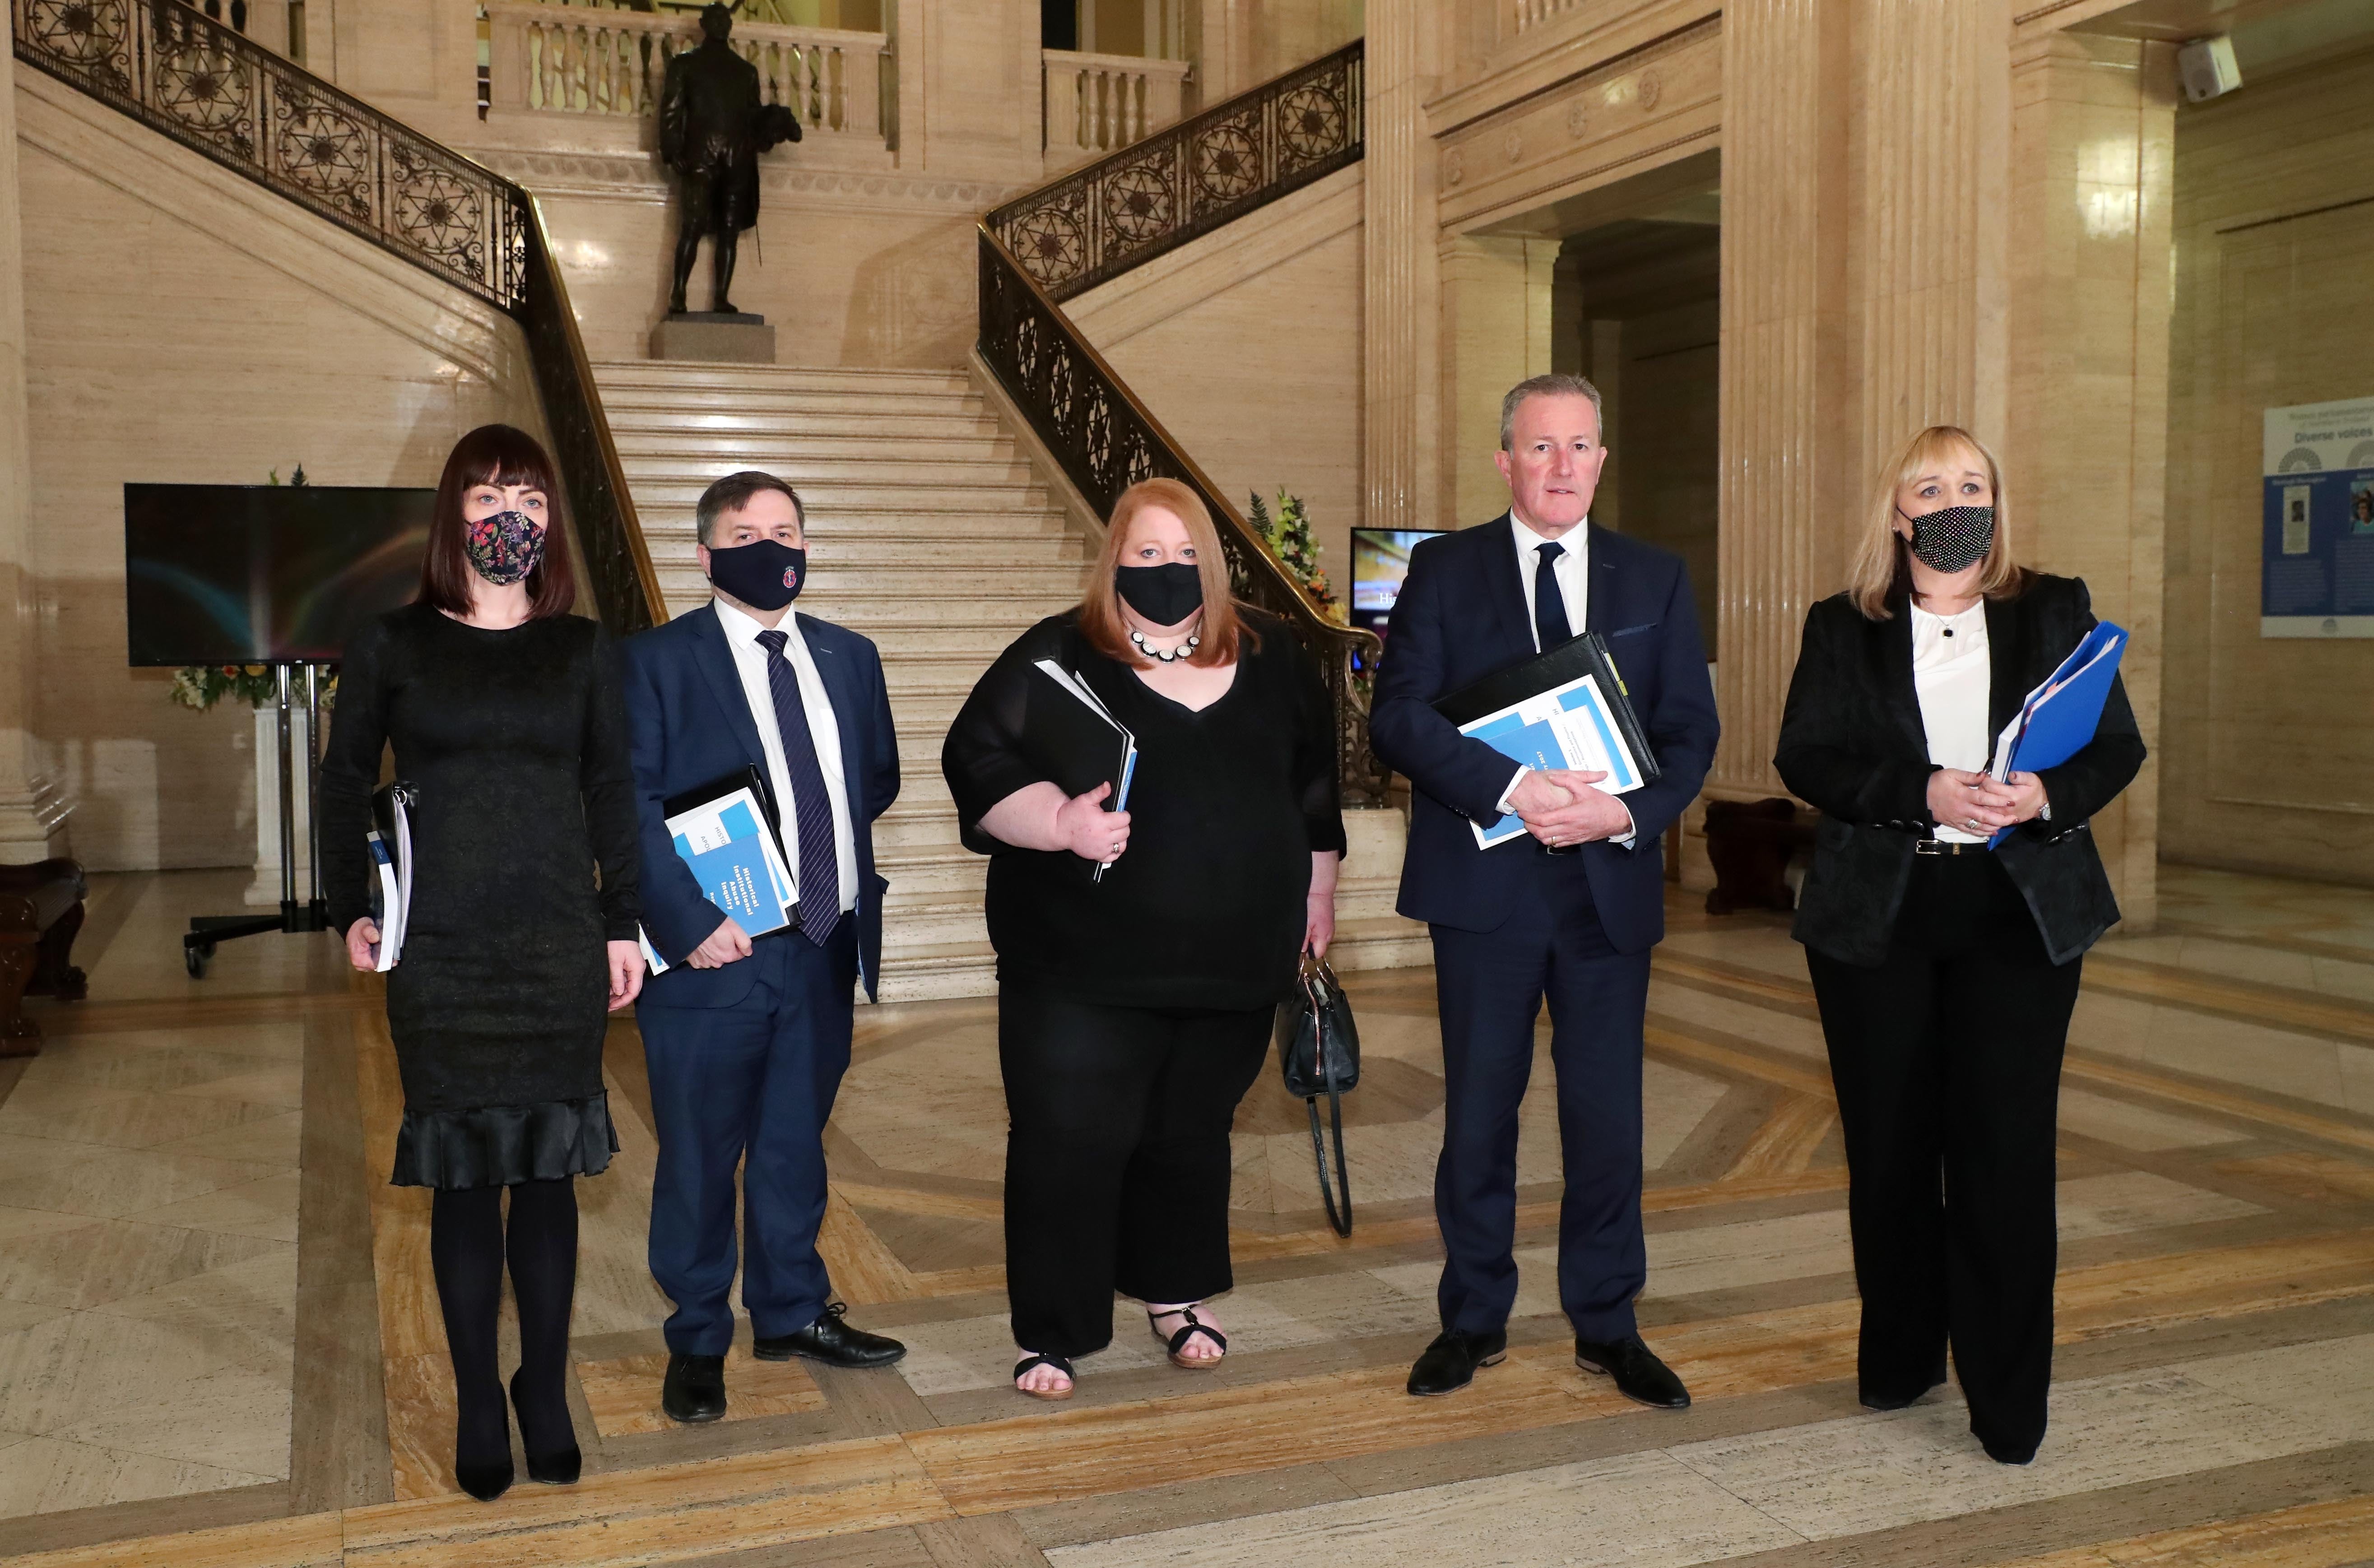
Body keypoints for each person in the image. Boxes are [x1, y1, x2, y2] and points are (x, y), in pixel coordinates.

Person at [1775, 425, 2144, 1465]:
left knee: (2002, 1157)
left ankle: (2007, 1399)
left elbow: (2116, 745)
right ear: (1896, 510)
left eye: (1971, 482)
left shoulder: (2051, 608)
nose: (1953, 500)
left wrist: (2042, 795)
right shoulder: (1840, 626)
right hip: (1878, 917)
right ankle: (1898, 1358)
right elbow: (1803, 754)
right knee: (1889, 1155)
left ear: (1997, 497)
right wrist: (1921, 791)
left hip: (2016, 915)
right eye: (1929, 485)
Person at [941, 477, 1346, 1401]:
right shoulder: (1058, 656)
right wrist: (1056, 822)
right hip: (1080, 963)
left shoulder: (1275, 652)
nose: (1167, 571)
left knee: (1190, 1135)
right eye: (1145, 555)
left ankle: (1176, 1295)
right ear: (1112, 560)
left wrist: (1317, 888)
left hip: (1234, 958)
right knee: (1067, 1139)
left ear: (1212, 559)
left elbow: (1312, 785)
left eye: (1183, 554)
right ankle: (1055, 1328)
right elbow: (976, 759)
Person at [1370, 373, 1719, 1403]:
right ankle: (1471, 1320)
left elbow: (1689, 731)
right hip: (1486, 892)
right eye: (1539, 448)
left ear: (1601, 459)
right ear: (1504, 459)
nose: (1560, 467)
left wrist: (1624, 813)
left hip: (1606, 886)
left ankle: (1606, 1323)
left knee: (1605, 1120)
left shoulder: (1653, 576)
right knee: (1478, 1114)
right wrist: (1515, 787)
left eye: (1579, 447)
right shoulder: (1441, 569)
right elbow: (1398, 715)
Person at [320, 424, 644, 1502]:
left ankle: (540, 1391)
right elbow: (340, 780)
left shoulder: (583, 648)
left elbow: (611, 789)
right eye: (492, 490)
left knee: (546, 1174)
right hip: (442, 951)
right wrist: (349, 907)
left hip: (555, 941)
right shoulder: (393, 643)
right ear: (455, 508)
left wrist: (623, 923)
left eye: (533, 496)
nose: (513, 511)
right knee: (463, 1180)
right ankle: (473, 1397)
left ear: (550, 522)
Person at [618, 470, 906, 1424]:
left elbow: (872, 781)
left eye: (785, 529)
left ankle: (789, 1310)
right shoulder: (655, 662)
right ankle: (697, 1338)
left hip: (820, 943)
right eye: (746, 532)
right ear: (704, 555)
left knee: (792, 1146)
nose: (770, 546)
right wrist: (688, 919)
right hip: (714, 952)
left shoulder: (851, 657)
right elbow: (629, 805)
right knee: (701, 1153)